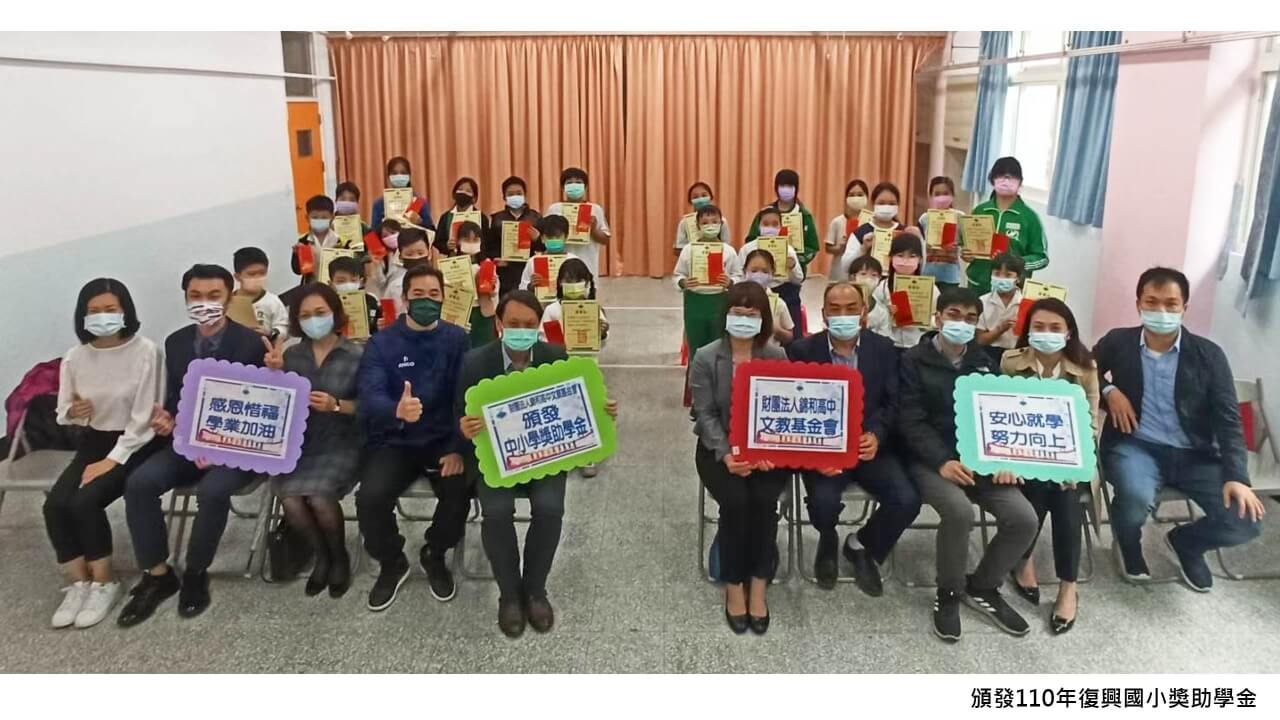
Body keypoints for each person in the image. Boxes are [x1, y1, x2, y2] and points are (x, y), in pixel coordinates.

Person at [457, 290, 619, 637]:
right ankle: (508, 594)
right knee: (496, 511)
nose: (521, 330)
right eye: (513, 323)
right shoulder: (474, 362)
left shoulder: (555, 356)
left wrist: (601, 410)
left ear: (538, 326)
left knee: (550, 508)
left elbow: (577, 407)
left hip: (544, 457)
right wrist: (464, 427)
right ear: (499, 323)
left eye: (529, 324)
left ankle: (535, 590)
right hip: (497, 460)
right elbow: (458, 414)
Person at [117, 264, 268, 627]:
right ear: (185, 298)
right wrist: (168, 419)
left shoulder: (251, 343)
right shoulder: (176, 342)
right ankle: (158, 574)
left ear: (229, 297)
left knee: (213, 491)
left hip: (236, 446)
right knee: (139, 483)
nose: (204, 303)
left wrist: (222, 447)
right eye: (195, 296)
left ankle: (196, 572)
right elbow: (175, 395)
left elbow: (264, 406)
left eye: (214, 296)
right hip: (187, 441)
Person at [1095, 267, 1264, 592]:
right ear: (1138, 304)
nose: (1161, 311)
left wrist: (1237, 477)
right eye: (1152, 302)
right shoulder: (1118, 341)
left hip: (1195, 453)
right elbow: (1086, 368)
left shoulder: (1209, 355)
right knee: (1134, 499)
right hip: (1136, 446)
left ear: (1184, 308)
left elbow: (1228, 420)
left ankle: (1186, 542)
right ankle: (1128, 544)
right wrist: (1109, 391)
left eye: (1171, 304)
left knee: (1246, 520)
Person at [897, 286, 1037, 643]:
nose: (962, 323)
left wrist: (1003, 457)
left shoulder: (983, 362)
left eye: (971, 318)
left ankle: (983, 586)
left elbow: (998, 416)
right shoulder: (913, 360)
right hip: (930, 460)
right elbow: (910, 420)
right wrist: (942, 461)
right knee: (959, 512)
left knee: (1024, 518)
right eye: (954, 315)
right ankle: (949, 591)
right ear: (938, 318)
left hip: (979, 459)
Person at [44, 279, 164, 629]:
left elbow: (145, 415)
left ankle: (104, 582)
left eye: (110, 309)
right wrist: (75, 412)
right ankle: (77, 583)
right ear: (82, 316)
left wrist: (113, 460)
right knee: (55, 505)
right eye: (94, 311)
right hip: (95, 440)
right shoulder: (76, 357)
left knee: (85, 501)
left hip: (136, 442)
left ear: (125, 311)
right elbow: (64, 410)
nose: (102, 316)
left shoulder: (146, 351)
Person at [787, 281, 920, 594]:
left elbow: (893, 401)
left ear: (863, 313)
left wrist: (877, 434)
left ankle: (861, 545)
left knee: (907, 500)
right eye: (835, 309)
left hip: (869, 447)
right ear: (824, 314)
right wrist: (814, 454)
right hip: (823, 449)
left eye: (851, 309)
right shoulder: (801, 351)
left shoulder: (884, 349)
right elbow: (794, 406)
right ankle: (828, 537)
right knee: (822, 502)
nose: (843, 315)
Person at [356, 264, 470, 611]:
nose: (426, 301)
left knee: (459, 492)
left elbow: (467, 397)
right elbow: (369, 395)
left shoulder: (458, 339)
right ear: (404, 298)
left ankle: (435, 552)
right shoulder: (382, 343)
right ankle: (392, 560)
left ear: (444, 299)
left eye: (434, 294)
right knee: (370, 497)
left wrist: (457, 448)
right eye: (418, 294)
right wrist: (396, 409)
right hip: (396, 440)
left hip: (443, 440)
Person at [690, 281, 791, 635]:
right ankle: (734, 584)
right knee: (735, 502)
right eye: (738, 312)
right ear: (726, 316)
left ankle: (759, 583)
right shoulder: (706, 357)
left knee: (764, 501)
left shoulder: (776, 356)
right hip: (718, 450)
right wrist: (728, 453)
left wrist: (769, 449)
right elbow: (704, 414)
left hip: (768, 452)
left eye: (752, 314)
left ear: (764, 319)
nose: (744, 319)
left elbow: (783, 411)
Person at [1001, 298, 1100, 634]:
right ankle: (1024, 560)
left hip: (1070, 459)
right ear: (1028, 331)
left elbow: (1090, 425)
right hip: (1020, 457)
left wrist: (1069, 463)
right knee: (1039, 485)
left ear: (1068, 332)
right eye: (1039, 327)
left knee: (1066, 495)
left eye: (1055, 327)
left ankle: (1067, 586)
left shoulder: (1086, 369)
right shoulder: (1011, 362)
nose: (1047, 333)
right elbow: (1000, 416)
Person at [261, 284, 363, 598]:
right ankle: (321, 556)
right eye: (305, 315)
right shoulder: (292, 355)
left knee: (319, 497)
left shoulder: (356, 355)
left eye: (320, 312)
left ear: (335, 313)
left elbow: (371, 407)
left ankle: (339, 557)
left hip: (342, 440)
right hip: (301, 442)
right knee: (290, 499)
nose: (313, 320)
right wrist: (273, 374)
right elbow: (276, 401)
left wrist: (337, 405)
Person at [743, 169, 819, 340]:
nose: (786, 189)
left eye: (790, 186)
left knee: (792, 334)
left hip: (788, 284)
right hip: (759, 286)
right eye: (782, 185)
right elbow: (750, 241)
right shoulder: (764, 212)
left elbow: (813, 246)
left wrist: (795, 261)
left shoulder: (804, 215)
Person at [965, 156, 1048, 296]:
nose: (1006, 180)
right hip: (978, 285)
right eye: (1001, 175)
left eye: (1012, 176)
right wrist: (967, 254)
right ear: (992, 179)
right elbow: (967, 245)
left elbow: (1042, 258)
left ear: (1020, 182)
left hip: (1012, 289)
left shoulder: (1029, 217)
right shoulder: (979, 211)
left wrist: (1018, 262)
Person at [673, 203, 741, 358]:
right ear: (698, 226)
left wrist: (730, 282)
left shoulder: (729, 251)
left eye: (714, 222)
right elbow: (678, 275)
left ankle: (719, 372)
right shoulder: (689, 249)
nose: (710, 225)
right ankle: (695, 372)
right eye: (705, 222)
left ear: (721, 224)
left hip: (720, 300)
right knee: (696, 345)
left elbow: (739, 275)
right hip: (694, 301)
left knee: (719, 344)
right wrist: (683, 282)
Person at [831, 181, 924, 282]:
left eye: (892, 204)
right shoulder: (861, 232)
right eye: (881, 203)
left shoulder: (904, 233)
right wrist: (863, 249)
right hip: (868, 285)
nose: (886, 207)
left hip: (896, 285)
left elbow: (921, 264)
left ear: (898, 206)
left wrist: (920, 239)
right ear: (872, 204)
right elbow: (845, 266)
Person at [739, 207, 804, 338]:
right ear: (759, 226)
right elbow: (739, 276)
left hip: (784, 292)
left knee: (793, 335)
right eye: (766, 224)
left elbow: (798, 279)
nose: (770, 227)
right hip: (753, 292)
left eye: (775, 224)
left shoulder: (788, 249)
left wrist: (793, 267)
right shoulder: (747, 249)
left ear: (780, 226)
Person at [868, 235, 940, 350]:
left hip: (917, 344)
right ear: (891, 258)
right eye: (900, 255)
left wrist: (924, 320)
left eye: (912, 256)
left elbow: (937, 318)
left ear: (920, 259)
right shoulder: (883, 287)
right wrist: (886, 313)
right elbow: (872, 319)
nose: (905, 261)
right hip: (890, 344)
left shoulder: (930, 288)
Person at [546, 167, 611, 278]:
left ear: (585, 187)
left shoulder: (595, 209)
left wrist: (593, 230)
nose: (574, 185)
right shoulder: (554, 209)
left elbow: (605, 240)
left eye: (578, 182)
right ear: (563, 187)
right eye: (569, 183)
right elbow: (545, 238)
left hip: (588, 264)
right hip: (559, 265)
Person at [539, 258, 610, 353]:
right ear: (560, 282)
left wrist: (603, 334)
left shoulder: (593, 309)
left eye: (579, 280)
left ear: (587, 283)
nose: (573, 284)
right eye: (568, 280)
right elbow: (542, 339)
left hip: (587, 359)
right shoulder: (551, 310)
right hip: (559, 360)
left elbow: (602, 344)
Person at [490, 175, 543, 294]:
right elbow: (491, 246)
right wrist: (497, 259)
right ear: (504, 197)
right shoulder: (496, 219)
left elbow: (544, 248)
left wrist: (537, 239)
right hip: (505, 273)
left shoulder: (536, 217)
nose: (515, 196)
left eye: (519, 193)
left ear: (525, 195)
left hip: (528, 269)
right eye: (510, 194)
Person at [975, 252, 1025, 367]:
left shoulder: (1025, 302)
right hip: (989, 354)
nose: (1001, 278)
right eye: (997, 274)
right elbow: (980, 340)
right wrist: (1000, 329)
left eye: (1008, 275)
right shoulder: (983, 301)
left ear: (1018, 278)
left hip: (1017, 354)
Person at [740, 249, 795, 347]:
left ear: (772, 273)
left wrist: (777, 330)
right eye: (754, 271)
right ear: (745, 271)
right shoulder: (736, 299)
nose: (759, 275)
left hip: (769, 353)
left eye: (765, 271)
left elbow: (789, 336)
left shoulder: (778, 303)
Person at [232, 246, 289, 340]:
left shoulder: (273, 301)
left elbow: (283, 328)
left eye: (262, 273)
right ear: (237, 277)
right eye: (251, 274)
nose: (257, 278)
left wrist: (270, 333)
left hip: (264, 347)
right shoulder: (228, 302)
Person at [918, 176, 963, 290]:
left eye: (946, 193)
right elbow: (919, 245)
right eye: (937, 194)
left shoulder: (960, 217)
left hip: (951, 276)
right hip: (928, 275)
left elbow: (966, 245)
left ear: (953, 195)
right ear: (931, 196)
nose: (941, 197)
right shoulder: (924, 219)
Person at [381, 227, 437, 317]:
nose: (415, 257)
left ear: (429, 253)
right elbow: (387, 315)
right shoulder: (393, 287)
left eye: (420, 253)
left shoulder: (443, 283)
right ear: (400, 256)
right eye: (409, 254)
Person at [520, 215, 583, 291]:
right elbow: (522, 288)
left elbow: (584, 287)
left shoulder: (574, 260)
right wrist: (531, 286)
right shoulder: (533, 261)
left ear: (566, 237)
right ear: (542, 238)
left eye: (558, 236)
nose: (554, 239)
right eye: (549, 237)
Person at [370, 156, 433, 231]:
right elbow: (373, 234)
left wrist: (420, 222)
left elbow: (432, 231)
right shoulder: (379, 204)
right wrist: (383, 226)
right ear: (388, 177)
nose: (399, 176)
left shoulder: (419, 202)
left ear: (409, 176)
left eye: (403, 173)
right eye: (394, 173)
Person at [434, 176, 493, 257]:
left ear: (474, 198)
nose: (463, 193)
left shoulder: (482, 218)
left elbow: (488, 243)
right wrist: (446, 246)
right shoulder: (446, 217)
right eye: (460, 189)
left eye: (468, 191)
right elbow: (438, 242)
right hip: (453, 261)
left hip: (477, 261)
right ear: (454, 194)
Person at [328, 255, 382, 337]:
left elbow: (376, 327)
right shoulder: (326, 304)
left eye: (353, 280)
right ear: (331, 284)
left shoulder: (371, 301)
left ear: (361, 282)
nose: (348, 284)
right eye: (341, 281)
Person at [674, 181, 732, 255]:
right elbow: (679, 248)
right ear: (690, 201)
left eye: (704, 195)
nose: (700, 199)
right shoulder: (684, 222)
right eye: (695, 197)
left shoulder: (722, 221)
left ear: (711, 197)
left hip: (716, 258)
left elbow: (727, 246)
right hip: (693, 259)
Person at [291, 195, 339, 283]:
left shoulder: (340, 240)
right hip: (312, 286)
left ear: (332, 217)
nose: (319, 220)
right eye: (315, 217)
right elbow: (297, 271)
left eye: (324, 217)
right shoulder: (303, 241)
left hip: (334, 287)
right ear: (307, 218)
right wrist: (296, 255)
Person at [825, 179, 871, 258]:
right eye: (851, 195)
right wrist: (839, 248)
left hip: (865, 263)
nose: (856, 198)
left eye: (860, 195)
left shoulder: (872, 221)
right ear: (846, 198)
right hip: (840, 264)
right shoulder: (837, 221)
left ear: (866, 197)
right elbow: (828, 248)